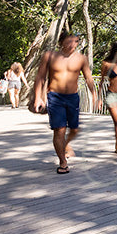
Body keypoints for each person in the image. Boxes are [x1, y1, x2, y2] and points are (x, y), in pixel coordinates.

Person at [29, 31, 99, 174]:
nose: (72, 45)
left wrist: (95, 95)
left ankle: (65, 145)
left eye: (76, 41)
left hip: (73, 97)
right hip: (55, 97)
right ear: (61, 42)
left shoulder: (81, 59)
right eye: (69, 41)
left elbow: (89, 79)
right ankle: (63, 161)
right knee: (59, 130)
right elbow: (40, 77)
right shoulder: (50, 56)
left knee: (74, 129)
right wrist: (38, 97)